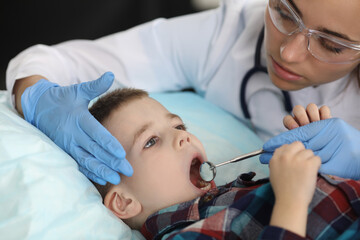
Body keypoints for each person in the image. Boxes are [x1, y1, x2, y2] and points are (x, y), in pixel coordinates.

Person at [6, 0, 360, 185]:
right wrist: (36, 96)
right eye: (284, 12)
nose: (288, 53)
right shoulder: (227, 34)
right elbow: (55, 61)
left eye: (330, 45)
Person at [87, 87, 359, 239]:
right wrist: (292, 202)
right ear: (123, 202)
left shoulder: (227, 198)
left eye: (179, 125)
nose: (182, 137)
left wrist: (318, 162)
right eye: (150, 141)